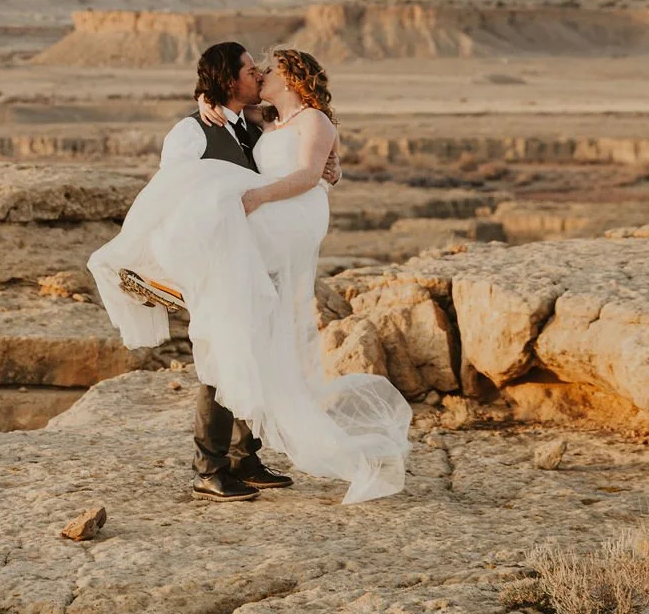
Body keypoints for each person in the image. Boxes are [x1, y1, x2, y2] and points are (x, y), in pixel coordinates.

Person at [89, 45, 412, 506]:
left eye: (265, 70)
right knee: (226, 346)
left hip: (260, 246)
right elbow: (174, 193)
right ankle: (209, 466)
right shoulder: (194, 128)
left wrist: (329, 167)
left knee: (252, 347)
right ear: (227, 81)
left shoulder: (257, 122)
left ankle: (245, 457)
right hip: (222, 254)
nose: (259, 74)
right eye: (249, 70)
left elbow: (310, 160)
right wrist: (202, 103)